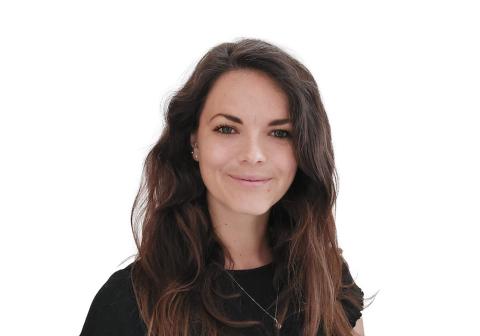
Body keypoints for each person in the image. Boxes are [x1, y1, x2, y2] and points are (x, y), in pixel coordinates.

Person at [80, 38, 367, 336]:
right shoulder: (129, 302)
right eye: (227, 129)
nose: (253, 154)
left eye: (280, 132)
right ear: (194, 142)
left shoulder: (329, 280)